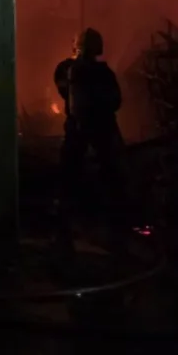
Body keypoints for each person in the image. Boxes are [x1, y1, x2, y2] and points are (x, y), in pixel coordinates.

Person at [53, 27, 125, 250]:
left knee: (70, 169)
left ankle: (68, 216)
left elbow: (64, 92)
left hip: (78, 126)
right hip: (101, 125)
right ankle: (113, 218)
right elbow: (115, 101)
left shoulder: (67, 70)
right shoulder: (104, 74)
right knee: (112, 169)